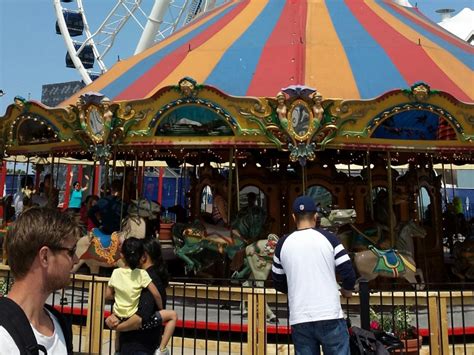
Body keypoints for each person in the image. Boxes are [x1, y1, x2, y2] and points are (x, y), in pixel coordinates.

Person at [272, 195, 356, 355]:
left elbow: (277, 281)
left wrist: (296, 291)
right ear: (316, 216)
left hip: (300, 316)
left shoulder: (283, 244)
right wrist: (347, 289)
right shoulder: (330, 239)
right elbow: (348, 271)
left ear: (293, 217)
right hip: (329, 313)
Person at [0, 207, 82, 353]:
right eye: (71, 251)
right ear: (44, 256)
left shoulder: (60, 324)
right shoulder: (3, 337)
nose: (76, 260)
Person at [105, 238, 176, 355]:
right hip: (133, 344)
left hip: (139, 345)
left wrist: (117, 327)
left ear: (144, 256)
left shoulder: (146, 277)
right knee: (172, 315)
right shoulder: (142, 276)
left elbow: (138, 319)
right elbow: (156, 296)